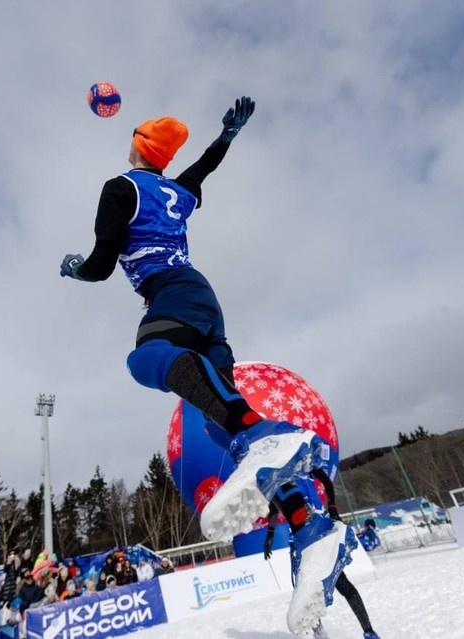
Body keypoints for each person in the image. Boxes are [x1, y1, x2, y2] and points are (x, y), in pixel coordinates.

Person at [60, 96, 346, 630]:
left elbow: (100, 266)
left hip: (172, 293)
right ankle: (308, 525)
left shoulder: (120, 188)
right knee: (225, 422)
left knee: (146, 358)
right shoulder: (176, 190)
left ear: (137, 146)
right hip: (205, 302)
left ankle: (264, 436)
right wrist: (227, 135)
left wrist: (74, 267)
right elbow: (203, 167)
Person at [263, 468, 375, 639]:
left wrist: (333, 509)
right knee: (306, 594)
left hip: (321, 532)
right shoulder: (278, 474)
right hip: (300, 540)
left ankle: (369, 631)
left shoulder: (301, 463)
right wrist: (270, 534)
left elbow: (325, 479)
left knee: (342, 583)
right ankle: (320, 635)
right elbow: (273, 505)